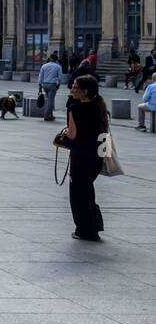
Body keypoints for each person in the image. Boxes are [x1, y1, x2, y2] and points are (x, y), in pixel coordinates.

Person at [55, 74, 108, 242]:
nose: (72, 89)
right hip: (96, 156)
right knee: (88, 191)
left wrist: (64, 133)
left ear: (85, 91)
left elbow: (72, 134)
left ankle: (85, 229)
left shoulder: (74, 108)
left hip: (81, 155)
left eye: (76, 87)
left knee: (78, 194)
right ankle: (93, 226)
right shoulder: (99, 106)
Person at [38, 53, 63, 122]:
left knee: (48, 100)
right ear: (56, 59)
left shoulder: (44, 66)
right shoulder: (58, 66)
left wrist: (40, 86)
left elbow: (40, 77)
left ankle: (51, 115)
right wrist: (58, 85)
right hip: (52, 85)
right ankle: (46, 115)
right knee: (51, 101)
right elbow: (60, 78)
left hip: (45, 84)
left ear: (50, 58)